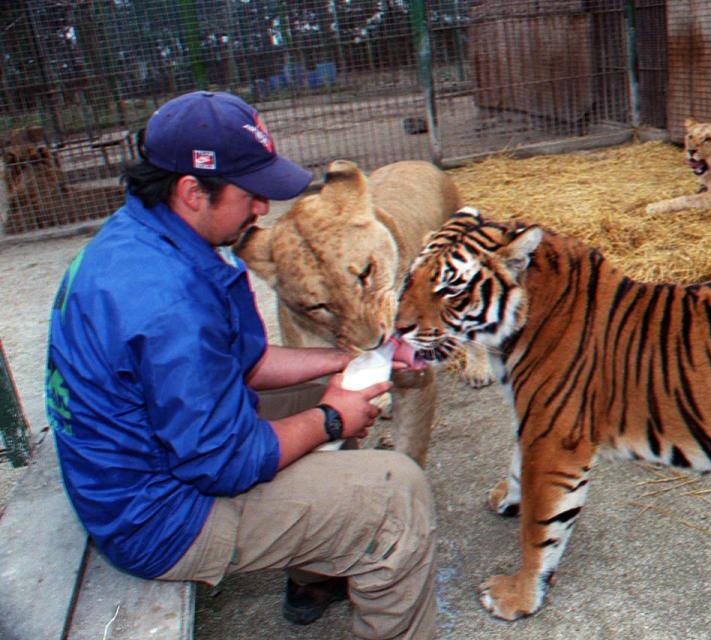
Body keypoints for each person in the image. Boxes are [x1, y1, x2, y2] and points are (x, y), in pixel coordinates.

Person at [44, 91, 437, 639]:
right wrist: (331, 418)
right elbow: (226, 463)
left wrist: (353, 358)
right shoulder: (166, 297)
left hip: (135, 471)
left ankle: (318, 568)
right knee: (399, 497)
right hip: (156, 519)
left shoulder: (149, 238)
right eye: (251, 193)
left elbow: (243, 363)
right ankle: (348, 545)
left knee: (338, 387)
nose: (261, 210)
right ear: (192, 192)